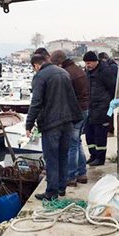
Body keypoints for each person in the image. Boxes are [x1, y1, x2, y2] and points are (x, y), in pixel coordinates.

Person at [25, 54, 82, 200]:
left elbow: (36, 102)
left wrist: (29, 124)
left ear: (36, 65)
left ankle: (51, 192)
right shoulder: (64, 73)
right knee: (63, 155)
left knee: (51, 158)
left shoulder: (40, 76)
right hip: (67, 121)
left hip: (52, 123)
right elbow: (72, 97)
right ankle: (61, 188)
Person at [50, 50, 90, 186]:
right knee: (77, 142)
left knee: (72, 144)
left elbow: (65, 96)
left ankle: (71, 176)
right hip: (84, 109)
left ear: (59, 63)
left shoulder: (66, 74)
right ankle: (82, 173)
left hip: (75, 111)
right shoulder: (78, 70)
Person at [83, 51, 116, 166]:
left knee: (100, 135)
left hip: (102, 107)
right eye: (86, 63)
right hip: (91, 107)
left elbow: (112, 87)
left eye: (89, 63)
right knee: (89, 133)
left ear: (96, 61)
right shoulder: (88, 72)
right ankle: (93, 155)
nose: (88, 65)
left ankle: (100, 158)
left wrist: (107, 103)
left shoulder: (105, 71)